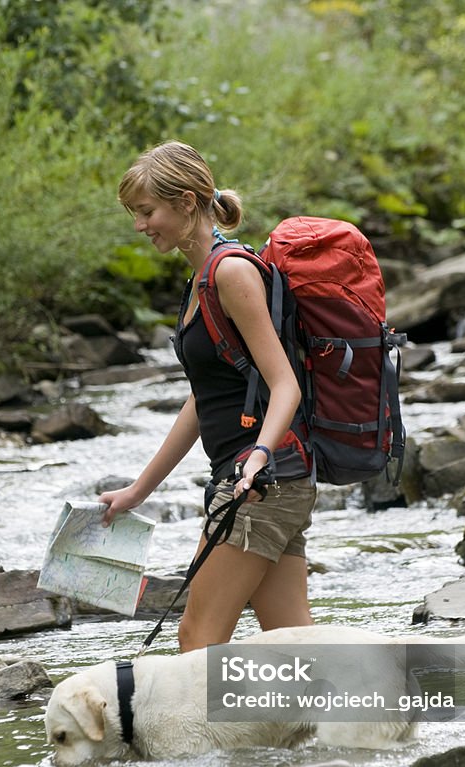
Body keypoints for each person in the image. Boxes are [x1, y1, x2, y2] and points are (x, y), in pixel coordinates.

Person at [98, 140, 316, 652]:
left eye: (147, 211)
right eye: (135, 213)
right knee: (293, 645)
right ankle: (358, 725)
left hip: (261, 482)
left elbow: (285, 383)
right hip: (269, 481)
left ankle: (217, 737)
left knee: (197, 639)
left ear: (187, 202)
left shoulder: (231, 273)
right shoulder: (201, 280)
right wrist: (138, 491)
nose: (140, 225)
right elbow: (206, 398)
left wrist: (258, 456)